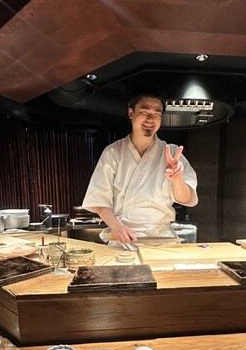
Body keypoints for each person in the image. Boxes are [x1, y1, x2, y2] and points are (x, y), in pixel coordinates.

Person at [82, 89, 198, 245]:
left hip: (162, 239)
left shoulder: (172, 153)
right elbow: (99, 200)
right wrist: (116, 227)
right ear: (131, 113)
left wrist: (177, 180)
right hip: (124, 238)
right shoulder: (113, 152)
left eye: (156, 114)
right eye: (144, 112)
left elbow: (186, 198)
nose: (150, 119)